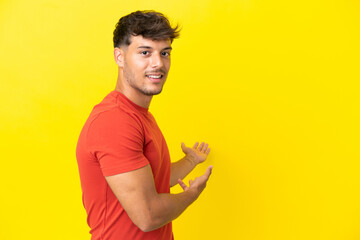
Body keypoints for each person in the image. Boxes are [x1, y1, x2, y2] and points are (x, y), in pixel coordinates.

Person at [76, 10, 213, 240]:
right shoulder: (114, 121)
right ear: (119, 57)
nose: (158, 63)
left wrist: (190, 160)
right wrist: (191, 194)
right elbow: (148, 215)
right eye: (145, 52)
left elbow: (154, 179)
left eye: (165, 53)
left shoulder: (139, 116)